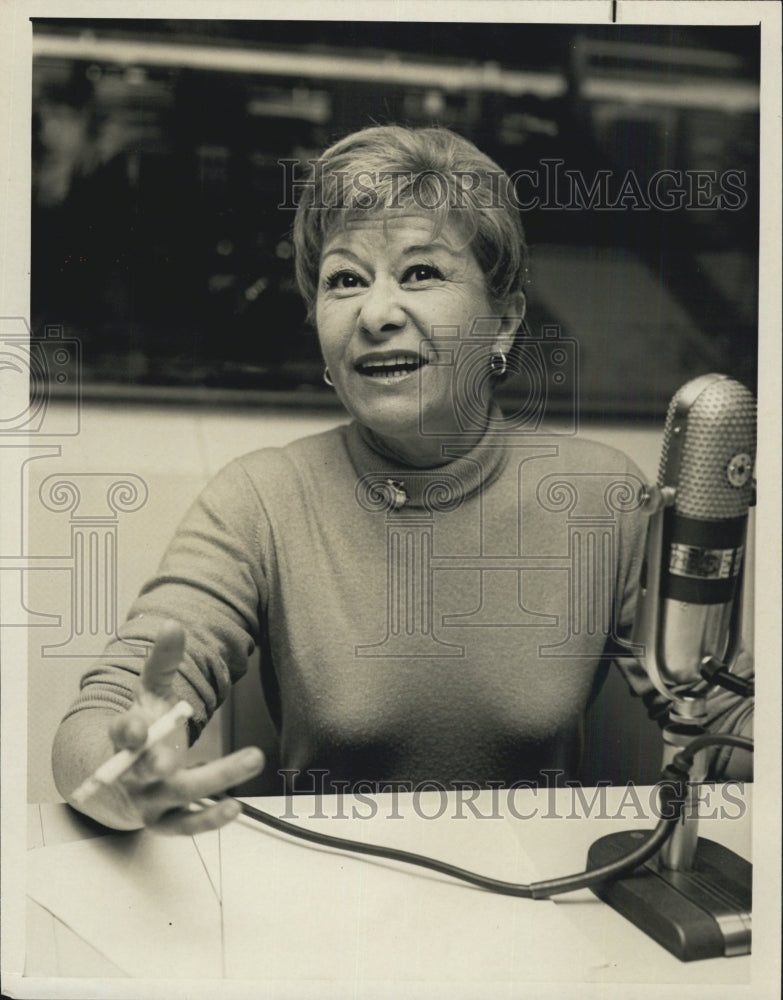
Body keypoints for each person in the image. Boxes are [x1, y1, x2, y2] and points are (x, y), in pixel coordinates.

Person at [52, 125, 754, 835]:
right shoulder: (259, 498)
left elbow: (722, 712)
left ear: (503, 321)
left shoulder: (601, 497)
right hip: (331, 906)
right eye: (344, 280)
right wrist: (124, 775)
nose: (376, 313)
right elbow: (106, 716)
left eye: (420, 273)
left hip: (544, 899)